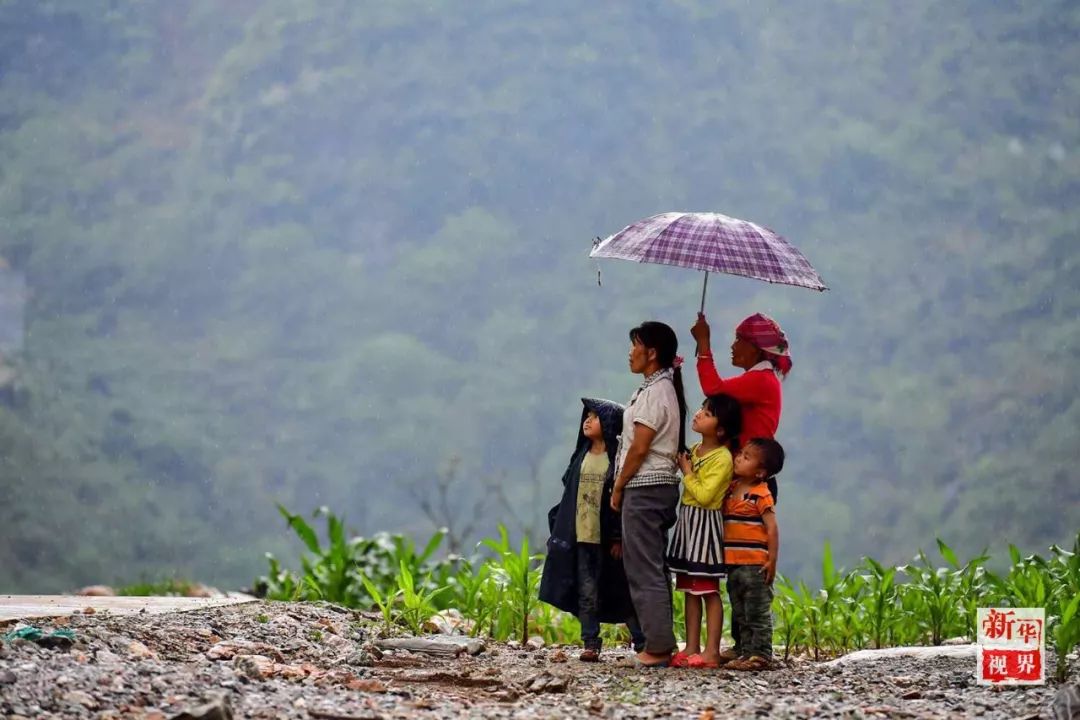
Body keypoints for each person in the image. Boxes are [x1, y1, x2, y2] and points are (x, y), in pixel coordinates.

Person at [539, 398, 644, 661]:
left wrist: (619, 536)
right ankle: (590, 642)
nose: (587, 420)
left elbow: (623, 500)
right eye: (586, 415)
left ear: (609, 424)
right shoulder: (581, 456)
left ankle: (642, 641)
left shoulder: (618, 458)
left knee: (622, 589)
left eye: (595, 416)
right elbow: (568, 496)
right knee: (587, 590)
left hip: (608, 540)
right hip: (583, 536)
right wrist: (560, 534)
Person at [609, 321, 687, 668]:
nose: (630, 352)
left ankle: (656, 647)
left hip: (646, 487)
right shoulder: (659, 388)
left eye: (635, 345)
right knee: (652, 565)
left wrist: (618, 485)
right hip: (657, 488)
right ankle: (660, 641)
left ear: (651, 353)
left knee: (643, 567)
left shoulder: (656, 393)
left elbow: (639, 448)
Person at [667, 394, 742, 669]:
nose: (698, 414)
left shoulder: (722, 458)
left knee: (708, 589)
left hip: (705, 527)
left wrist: (686, 472)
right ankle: (691, 645)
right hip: (688, 524)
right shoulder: (697, 448)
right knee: (689, 588)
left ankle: (711, 651)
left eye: (707, 413)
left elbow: (707, 496)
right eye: (702, 409)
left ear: (721, 429)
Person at [722, 437, 784, 671]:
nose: (738, 458)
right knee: (741, 613)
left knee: (757, 612)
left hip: (756, 565)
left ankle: (761, 655)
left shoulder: (761, 493)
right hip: (734, 566)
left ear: (760, 472)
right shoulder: (731, 488)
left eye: (747, 457)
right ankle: (746, 653)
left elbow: (772, 528)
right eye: (741, 454)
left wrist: (772, 560)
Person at [690, 312, 790, 448]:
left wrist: (703, 343)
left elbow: (713, 388)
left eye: (738, 339)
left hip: (748, 462)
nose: (733, 346)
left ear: (755, 349)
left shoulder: (761, 380)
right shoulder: (763, 377)